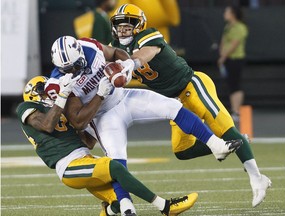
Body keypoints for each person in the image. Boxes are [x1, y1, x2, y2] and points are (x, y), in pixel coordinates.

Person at [48, 35, 242, 215]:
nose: (74, 71)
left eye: (76, 65)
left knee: (173, 106)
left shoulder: (89, 47)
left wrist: (126, 65)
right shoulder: (59, 82)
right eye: (69, 69)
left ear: (80, 53)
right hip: (103, 116)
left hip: (124, 96)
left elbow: (115, 52)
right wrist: (99, 94)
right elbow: (79, 121)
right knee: (115, 159)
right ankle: (126, 206)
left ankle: (216, 145)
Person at [109, 3, 271, 208]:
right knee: (182, 150)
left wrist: (131, 62)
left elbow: (147, 52)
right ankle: (233, 142)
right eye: (119, 25)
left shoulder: (148, 35)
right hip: (172, 102)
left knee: (224, 126)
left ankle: (257, 177)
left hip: (191, 85)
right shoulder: (115, 48)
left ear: (139, 25)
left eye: (128, 25)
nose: (123, 29)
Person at [16, 75, 199, 216]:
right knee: (114, 166)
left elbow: (87, 141)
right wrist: (63, 95)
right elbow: (47, 125)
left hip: (84, 158)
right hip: (69, 166)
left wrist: (97, 118)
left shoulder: (60, 111)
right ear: (32, 93)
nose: (47, 91)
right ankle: (166, 207)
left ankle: (108, 212)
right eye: (42, 88)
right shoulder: (26, 108)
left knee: (120, 199)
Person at [218, 5, 248, 123]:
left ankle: (236, 111)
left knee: (236, 84)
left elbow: (234, 44)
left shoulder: (240, 27)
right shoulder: (228, 27)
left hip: (236, 59)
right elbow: (223, 41)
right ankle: (233, 109)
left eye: (227, 12)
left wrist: (224, 56)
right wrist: (222, 54)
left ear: (233, 14)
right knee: (231, 84)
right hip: (227, 60)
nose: (225, 13)